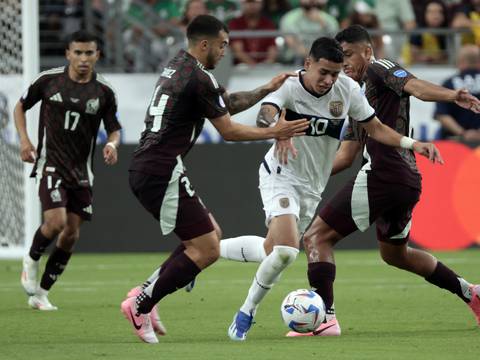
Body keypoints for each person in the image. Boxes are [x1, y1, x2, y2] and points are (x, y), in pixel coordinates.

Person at [224, 36, 443, 342]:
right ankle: (247, 312)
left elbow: (376, 128)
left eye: (335, 73)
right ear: (308, 64)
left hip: (312, 187)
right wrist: (277, 130)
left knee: (271, 251)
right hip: (280, 174)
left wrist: (412, 143)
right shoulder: (289, 86)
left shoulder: (348, 90)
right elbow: (266, 113)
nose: (329, 80)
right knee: (287, 250)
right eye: (323, 72)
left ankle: (208, 252)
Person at [120, 14, 309, 344]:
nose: (225, 51)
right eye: (222, 45)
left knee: (207, 239)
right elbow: (229, 131)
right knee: (206, 248)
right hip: (159, 169)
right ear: (204, 44)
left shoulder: (178, 66)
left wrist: (266, 88)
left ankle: (145, 295)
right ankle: (141, 304)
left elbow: (225, 105)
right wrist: (274, 131)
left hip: (155, 166)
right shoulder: (199, 78)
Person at [284, 24, 479, 336]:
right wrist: (304, 175)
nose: (344, 63)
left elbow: (416, 87)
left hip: (385, 173)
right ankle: (471, 292)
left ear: (367, 51)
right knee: (395, 254)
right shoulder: (353, 96)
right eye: (340, 57)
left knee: (316, 238)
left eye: (349, 55)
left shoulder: (379, 68)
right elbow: (347, 155)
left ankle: (325, 320)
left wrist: (452, 95)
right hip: (404, 180)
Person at [15, 30, 122, 311]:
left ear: (97, 55)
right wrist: (25, 140)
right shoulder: (49, 81)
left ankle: (41, 294)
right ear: (68, 54)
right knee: (56, 222)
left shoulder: (104, 91)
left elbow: (114, 127)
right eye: (78, 52)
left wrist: (112, 144)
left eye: (89, 53)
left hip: (82, 171)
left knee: (71, 233)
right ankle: (31, 259)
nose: (83, 59)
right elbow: (20, 107)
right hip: (51, 163)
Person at [434, 44, 480, 140]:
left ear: (461, 62)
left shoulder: (448, 83)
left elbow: (442, 115)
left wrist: (463, 133)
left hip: (455, 142)